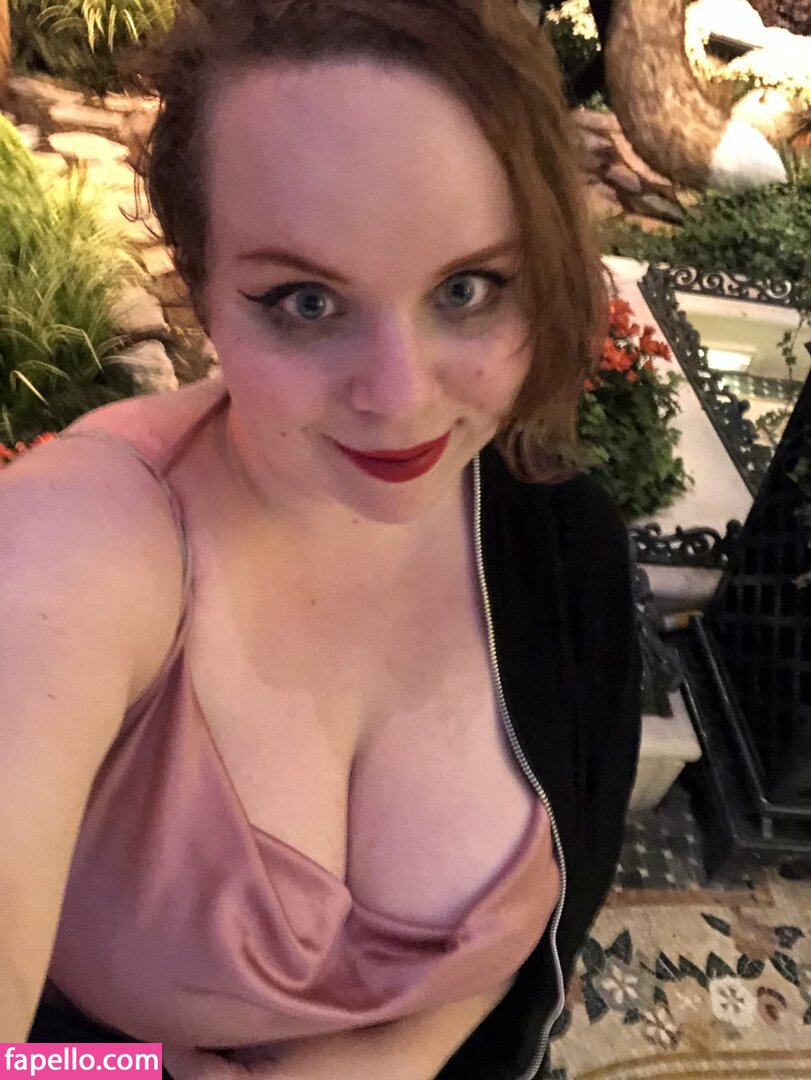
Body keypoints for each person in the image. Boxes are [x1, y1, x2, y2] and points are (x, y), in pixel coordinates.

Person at [3, 1, 641, 1077]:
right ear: (201, 288)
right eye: (304, 302)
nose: (399, 399)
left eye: (468, 289)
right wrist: (129, 1072)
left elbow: (538, 917)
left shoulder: (560, 544)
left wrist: (389, 1061)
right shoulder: (75, 550)